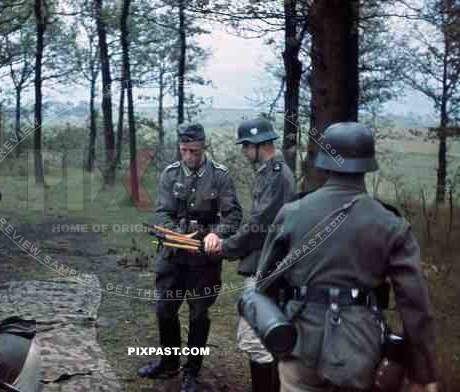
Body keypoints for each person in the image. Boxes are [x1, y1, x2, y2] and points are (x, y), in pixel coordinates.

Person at [253, 122, 437, 392]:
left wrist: (276, 332)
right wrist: (422, 373)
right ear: (367, 164)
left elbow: (263, 284)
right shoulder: (390, 223)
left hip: (299, 342)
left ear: (324, 162)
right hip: (360, 348)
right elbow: (415, 303)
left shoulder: (292, 213)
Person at [138, 123, 243, 392]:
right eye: (184, 150)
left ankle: (192, 371)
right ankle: (169, 362)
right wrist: (177, 236)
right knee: (165, 309)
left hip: (204, 260)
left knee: (198, 313)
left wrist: (216, 234)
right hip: (173, 254)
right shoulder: (170, 174)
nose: (188, 156)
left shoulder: (220, 176)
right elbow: (161, 213)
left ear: (203, 146)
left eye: (193, 151)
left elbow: (233, 215)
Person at [204, 116, 295, 392]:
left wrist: (227, 247)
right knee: (263, 339)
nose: (245, 151)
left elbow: (260, 224)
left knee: (256, 340)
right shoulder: (270, 173)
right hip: (266, 263)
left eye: (246, 146)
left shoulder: (276, 174)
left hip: (267, 267)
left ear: (258, 144)